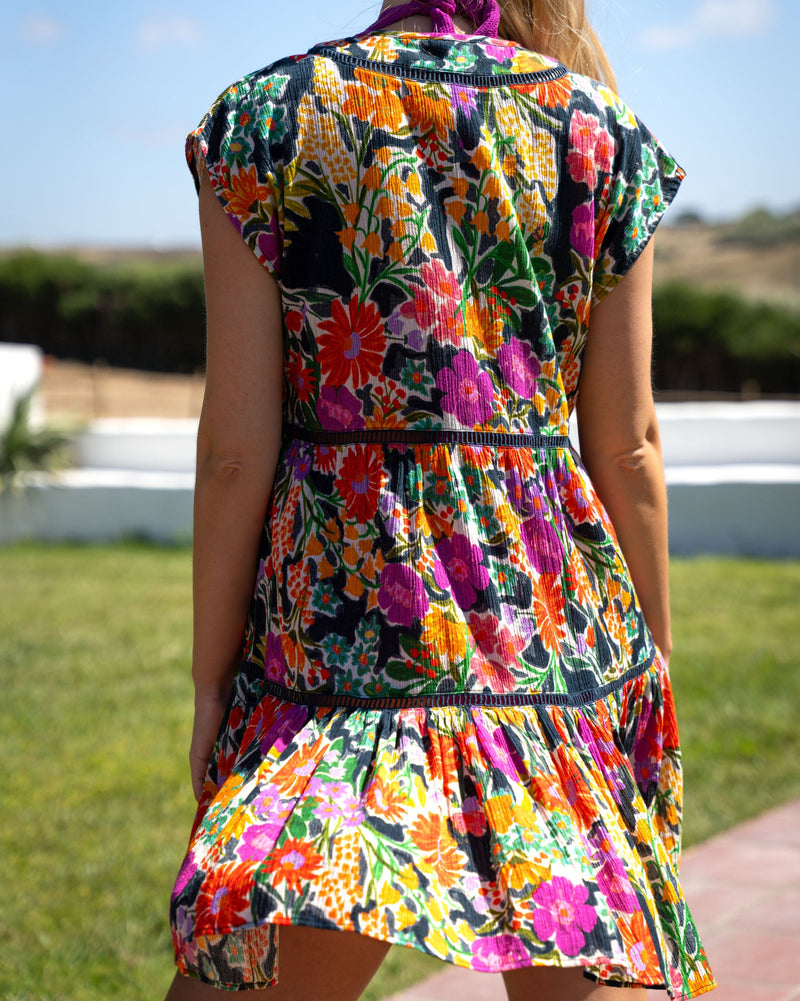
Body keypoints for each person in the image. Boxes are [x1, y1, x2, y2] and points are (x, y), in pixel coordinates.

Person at [165, 0, 717, 997]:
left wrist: (210, 682)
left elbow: (235, 454)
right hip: (548, 643)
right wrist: (651, 666)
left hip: (340, 644)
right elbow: (627, 446)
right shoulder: (595, 128)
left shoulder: (267, 116)